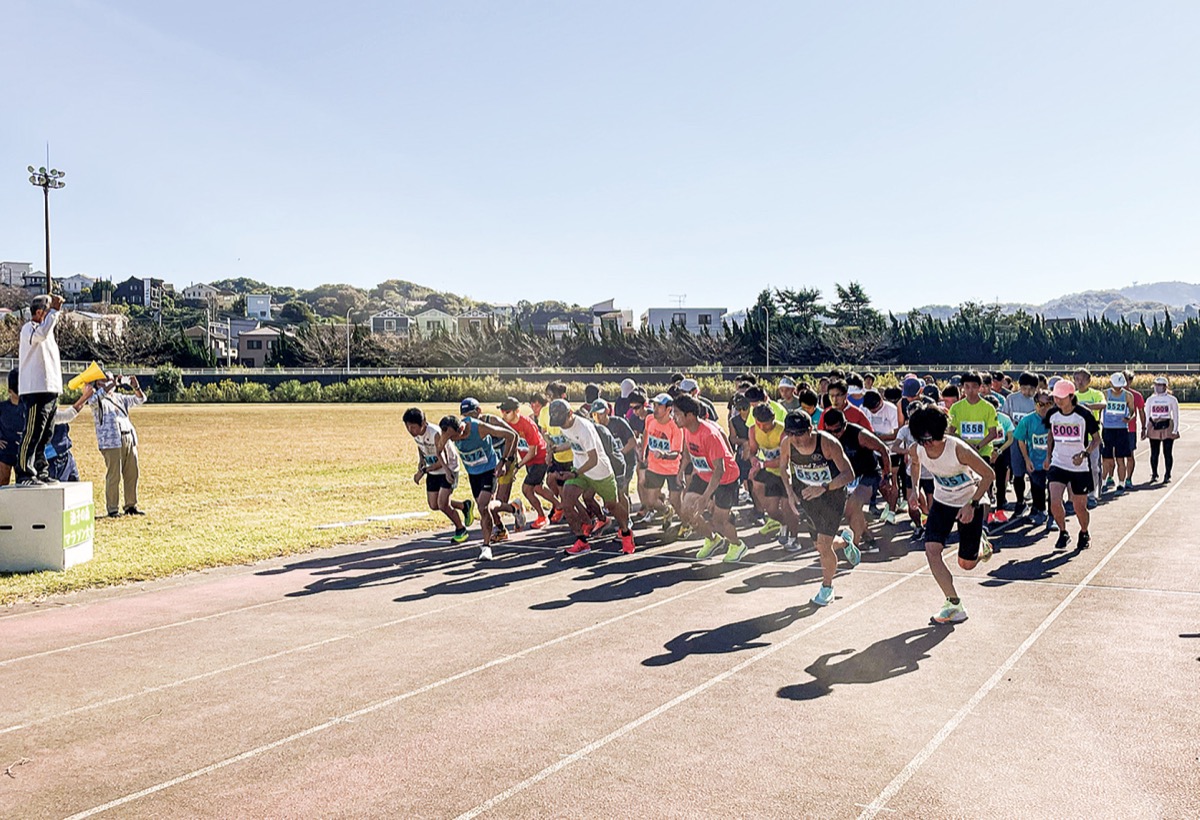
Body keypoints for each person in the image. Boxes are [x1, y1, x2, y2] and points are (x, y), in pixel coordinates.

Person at [907, 404, 996, 625]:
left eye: (931, 440)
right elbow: (915, 465)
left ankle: (981, 545)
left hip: (969, 500)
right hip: (942, 502)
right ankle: (954, 604)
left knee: (966, 564)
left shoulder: (958, 449)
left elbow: (989, 475)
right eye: (923, 441)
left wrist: (972, 504)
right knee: (931, 551)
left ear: (941, 433)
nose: (927, 445)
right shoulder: (916, 449)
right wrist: (915, 487)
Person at [780, 410, 859, 603]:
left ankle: (827, 587)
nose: (796, 439)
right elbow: (783, 468)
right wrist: (790, 493)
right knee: (820, 545)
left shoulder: (827, 443)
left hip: (832, 496)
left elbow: (849, 474)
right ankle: (846, 542)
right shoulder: (787, 444)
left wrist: (824, 487)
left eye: (800, 433)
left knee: (823, 545)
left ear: (810, 429)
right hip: (806, 496)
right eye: (791, 433)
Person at [548, 399, 635, 556]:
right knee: (567, 503)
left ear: (570, 414)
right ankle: (582, 542)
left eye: (562, 422)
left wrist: (574, 473)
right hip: (581, 469)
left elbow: (593, 459)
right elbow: (573, 443)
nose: (561, 426)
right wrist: (555, 449)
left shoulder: (584, 429)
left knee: (611, 505)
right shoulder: (565, 425)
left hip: (599, 471)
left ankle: (626, 532)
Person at [674, 395, 747, 563]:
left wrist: (706, 498)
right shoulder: (686, 429)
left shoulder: (709, 435)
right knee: (686, 511)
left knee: (718, 521)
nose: (673, 417)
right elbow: (687, 453)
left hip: (725, 478)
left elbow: (719, 470)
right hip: (703, 474)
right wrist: (680, 471)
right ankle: (713, 540)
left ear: (690, 415)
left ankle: (737, 545)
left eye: (677, 413)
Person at [437, 413, 517, 561]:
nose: (454, 441)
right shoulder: (447, 433)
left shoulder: (479, 428)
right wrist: (447, 470)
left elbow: (511, 435)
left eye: (454, 437)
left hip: (489, 470)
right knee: (486, 507)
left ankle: (486, 547)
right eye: (450, 439)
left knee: (482, 507)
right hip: (473, 474)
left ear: (461, 428)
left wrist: (504, 461)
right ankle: (514, 508)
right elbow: (438, 450)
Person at [1, 368, 92, 485]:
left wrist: (85, 397)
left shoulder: (35, 407)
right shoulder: (5, 408)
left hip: (36, 457)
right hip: (12, 454)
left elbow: (63, 416)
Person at [821, 407, 895, 552]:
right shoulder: (825, 438)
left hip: (868, 473)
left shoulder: (859, 435)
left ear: (845, 425)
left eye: (837, 431)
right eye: (829, 431)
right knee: (853, 513)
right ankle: (869, 540)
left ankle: (853, 547)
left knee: (852, 508)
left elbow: (883, 450)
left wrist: (887, 476)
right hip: (846, 476)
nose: (834, 435)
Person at [1045, 379, 1101, 550]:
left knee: (1079, 507)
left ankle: (1084, 532)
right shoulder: (1052, 414)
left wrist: (1085, 453)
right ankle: (1063, 532)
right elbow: (1050, 435)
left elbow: (1097, 439)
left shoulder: (1084, 415)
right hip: (1058, 462)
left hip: (1079, 466)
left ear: (1071, 396)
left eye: (1062, 397)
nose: (1058, 401)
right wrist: (1048, 456)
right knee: (1054, 501)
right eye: (1055, 397)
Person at [16, 293, 65, 485]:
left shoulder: (48, 331)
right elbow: (41, 334)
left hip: (50, 388)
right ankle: (24, 473)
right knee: (32, 432)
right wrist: (55, 311)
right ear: (39, 312)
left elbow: (47, 332)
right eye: (48, 310)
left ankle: (40, 469)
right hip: (35, 389)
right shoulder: (29, 329)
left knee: (46, 434)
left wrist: (53, 312)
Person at [403, 407, 470, 544]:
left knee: (442, 503)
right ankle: (464, 506)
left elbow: (443, 461)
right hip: (432, 470)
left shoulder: (435, 434)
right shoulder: (417, 434)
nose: (411, 431)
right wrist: (421, 462)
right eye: (408, 427)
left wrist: (422, 472)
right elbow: (421, 447)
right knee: (434, 505)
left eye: (413, 427)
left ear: (423, 424)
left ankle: (461, 529)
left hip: (448, 469)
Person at [461, 398, 525, 537]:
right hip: (490, 465)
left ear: (479, 411)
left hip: (505, 459)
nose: (468, 419)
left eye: (471, 415)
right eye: (465, 416)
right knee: (487, 504)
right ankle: (501, 528)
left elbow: (514, 436)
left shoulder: (492, 421)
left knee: (498, 502)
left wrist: (507, 462)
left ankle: (515, 508)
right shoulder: (470, 428)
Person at [87, 373, 148, 516]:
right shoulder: (97, 399)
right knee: (114, 475)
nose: (110, 382)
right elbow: (92, 401)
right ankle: (112, 508)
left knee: (132, 472)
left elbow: (140, 399)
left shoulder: (119, 398)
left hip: (128, 437)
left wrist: (136, 386)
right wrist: (112, 383)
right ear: (98, 384)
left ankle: (130, 505)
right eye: (105, 380)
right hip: (111, 441)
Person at [498, 397, 554, 529]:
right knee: (538, 488)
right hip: (529, 461)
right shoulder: (508, 424)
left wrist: (518, 466)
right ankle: (559, 506)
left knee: (527, 489)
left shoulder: (527, 425)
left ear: (517, 411)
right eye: (502, 411)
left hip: (540, 458)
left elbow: (533, 452)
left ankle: (542, 517)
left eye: (507, 412)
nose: (504, 415)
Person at [747, 403, 798, 543]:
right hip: (770, 472)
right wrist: (754, 460)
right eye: (759, 424)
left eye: (767, 424)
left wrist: (761, 464)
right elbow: (752, 451)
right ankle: (783, 524)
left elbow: (783, 460)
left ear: (774, 418)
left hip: (788, 473)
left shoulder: (783, 432)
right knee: (771, 510)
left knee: (788, 508)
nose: (763, 428)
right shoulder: (753, 430)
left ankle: (794, 538)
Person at [638, 393, 684, 526]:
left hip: (672, 469)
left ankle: (687, 524)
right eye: (654, 405)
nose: (655, 408)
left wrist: (663, 454)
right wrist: (643, 451)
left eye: (659, 405)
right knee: (650, 501)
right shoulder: (650, 419)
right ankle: (666, 510)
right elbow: (646, 432)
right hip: (654, 467)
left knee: (676, 501)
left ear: (669, 409)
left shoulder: (675, 427)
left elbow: (676, 453)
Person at [1013, 389, 1053, 527]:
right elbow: (1020, 440)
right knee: (1037, 487)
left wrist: (1050, 457)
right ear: (1035, 404)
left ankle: (1052, 516)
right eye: (1041, 404)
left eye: (1048, 404)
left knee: (1053, 488)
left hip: (1054, 461)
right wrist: (1026, 459)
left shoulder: (1056, 419)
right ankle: (1039, 510)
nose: (1044, 408)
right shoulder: (1027, 420)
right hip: (1035, 461)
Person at [1003, 372, 1040, 518]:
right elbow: (1006, 418)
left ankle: (1037, 504)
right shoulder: (1011, 399)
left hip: (1033, 443)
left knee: (1034, 474)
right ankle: (1020, 502)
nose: (1027, 392)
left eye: (1031, 389)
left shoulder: (1037, 401)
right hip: (1016, 442)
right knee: (1018, 473)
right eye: (1024, 388)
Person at [591, 399, 637, 513]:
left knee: (623, 488)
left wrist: (619, 453)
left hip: (627, 461)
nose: (598, 418)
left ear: (607, 411)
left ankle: (626, 514)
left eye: (600, 414)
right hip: (610, 463)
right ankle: (613, 508)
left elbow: (632, 441)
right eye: (595, 415)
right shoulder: (596, 428)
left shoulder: (619, 423)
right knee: (611, 488)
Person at [1073, 369, 1105, 509]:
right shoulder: (1072, 395)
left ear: (1088, 381)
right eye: (1077, 379)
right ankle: (1076, 494)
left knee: (1093, 466)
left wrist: (1088, 407)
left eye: (1082, 379)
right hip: (1075, 435)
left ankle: (1092, 494)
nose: (1079, 382)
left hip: (1092, 435)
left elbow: (1103, 404)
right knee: (1076, 466)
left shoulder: (1096, 394)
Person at [1099, 373, 1135, 494]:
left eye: (1120, 386)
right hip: (1108, 429)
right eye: (1116, 386)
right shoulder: (1104, 394)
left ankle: (1121, 484)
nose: (1118, 389)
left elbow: (1132, 410)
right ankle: (1103, 483)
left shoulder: (1128, 396)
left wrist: (1129, 417)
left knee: (1121, 459)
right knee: (1106, 459)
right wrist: (1098, 422)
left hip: (1121, 430)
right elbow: (1099, 409)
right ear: (1110, 384)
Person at [1144, 376, 1180, 482]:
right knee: (1154, 452)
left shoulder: (1171, 399)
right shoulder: (1151, 399)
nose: (1157, 387)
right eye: (1156, 385)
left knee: (1167, 452)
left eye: (1159, 385)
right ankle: (1154, 474)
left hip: (1167, 425)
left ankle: (1167, 474)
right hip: (1154, 425)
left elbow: (1176, 415)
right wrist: (1146, 429)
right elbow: (1147, 414)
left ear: (1165, 386)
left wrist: (1175, 430)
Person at [1124, 370, 1145, 485]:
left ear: (1131, 381)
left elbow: (1141, 412)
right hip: (1114, 429)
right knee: (1113, 456)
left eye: (1127, 380)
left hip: (1130, 430)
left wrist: (1144, 428)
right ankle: (1111, 478)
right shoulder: (1111, 394)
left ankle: (1128, 478)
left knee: (1130, 455)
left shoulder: (1136, 396)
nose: (1125, 382)